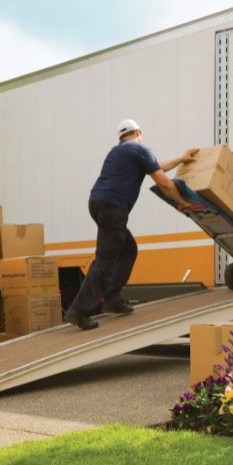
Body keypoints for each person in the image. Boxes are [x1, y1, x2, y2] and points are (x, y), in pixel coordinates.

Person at [63, 119, 198, 330]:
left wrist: (181, 159)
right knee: (104, 261)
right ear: (138, 132)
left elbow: (157, 166)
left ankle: (111, 298)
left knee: (128, 249)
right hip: (113, 208)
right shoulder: (139, 148)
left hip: (98, 204)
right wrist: (182, 203)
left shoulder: (119, 152)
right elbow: (163, 182)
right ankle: (79, 310)